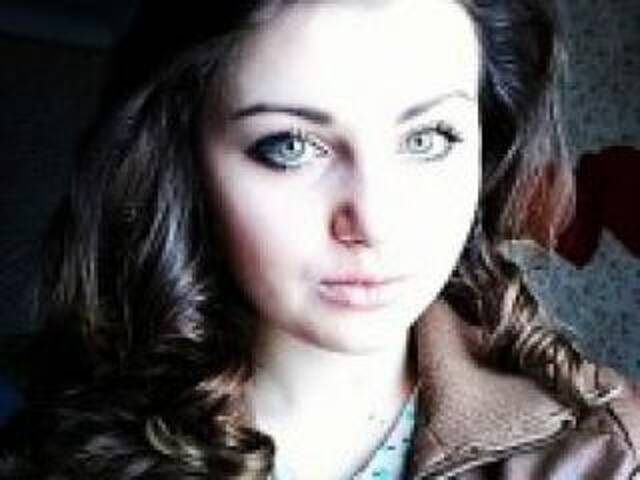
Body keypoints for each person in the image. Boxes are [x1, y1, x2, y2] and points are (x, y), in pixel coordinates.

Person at [1, 0, 638, 478]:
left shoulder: (607, 454)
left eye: (427, 140)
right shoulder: (54, 448)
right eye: (290, 146)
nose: (374, 220)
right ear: (185, 163)